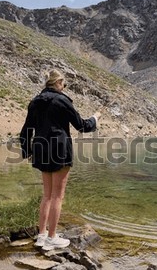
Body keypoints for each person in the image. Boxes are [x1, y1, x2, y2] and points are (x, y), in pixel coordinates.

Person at [20, 69, 100, 250]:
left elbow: (25, 130)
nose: (64, 88)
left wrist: (28, 151)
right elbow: (82, 126)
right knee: (57, 196)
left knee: (47, 195)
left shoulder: (35, 102)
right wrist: (95, 118)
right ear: (58, 83)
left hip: (40, 149)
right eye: (64, 84)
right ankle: (52, 238)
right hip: (59, 150)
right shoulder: (62, 100)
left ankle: (41, 236)